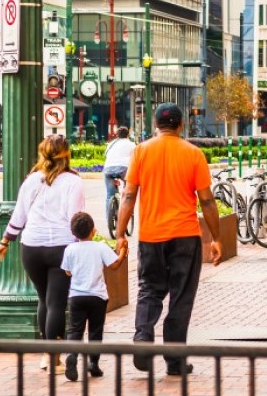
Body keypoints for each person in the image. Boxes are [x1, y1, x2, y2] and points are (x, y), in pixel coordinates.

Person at [115, 103, 222, 376]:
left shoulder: (141, 151)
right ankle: (174, 362)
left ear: (155, 124)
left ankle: (142, 337)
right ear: (180, 125)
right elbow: (207, 200)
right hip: (185, 236)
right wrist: (216, 238)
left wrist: (120, 234)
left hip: (151, 236)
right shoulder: (193, 154)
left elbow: (128, 196)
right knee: (181, 297)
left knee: (149, 289)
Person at [0, 134, 85, 373]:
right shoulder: (73, 182)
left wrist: (5, 241)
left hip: (31, 248)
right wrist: (81, 247)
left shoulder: (32, 180)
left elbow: (19, 215)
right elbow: (75, 219)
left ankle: (46, 356)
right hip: (61, 248)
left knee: (44, 299)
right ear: (67, 154)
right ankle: (53, 358)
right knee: (56, 303)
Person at [60, 212, 126, 382]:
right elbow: (114, 265)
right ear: (93, 230)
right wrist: (122, 252)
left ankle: (72, 355)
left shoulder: (70, 249)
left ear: (74, 233)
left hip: (76, 296)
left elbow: (67, 271)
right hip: (97, 296)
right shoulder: (100, 247)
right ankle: (93, 364)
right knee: (95, 331)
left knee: (75, 329)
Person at [102, 126, 135, 220]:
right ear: (128, 134)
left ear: (117, 135)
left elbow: (106, 155)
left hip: (108, 169)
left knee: (109, 195)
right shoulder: (131, 144)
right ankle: (125, 203)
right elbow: (135, 158)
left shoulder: (111, 144)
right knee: (127, 191)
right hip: (124, 169)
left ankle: (109, 218)